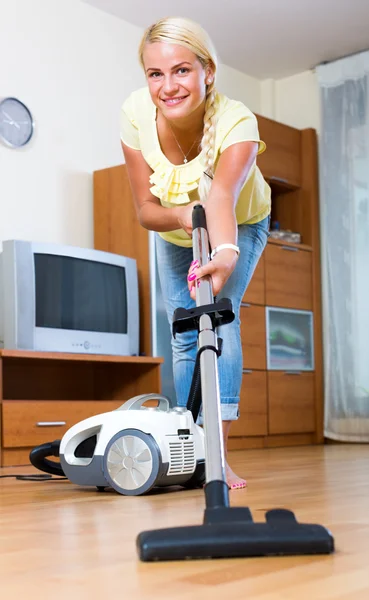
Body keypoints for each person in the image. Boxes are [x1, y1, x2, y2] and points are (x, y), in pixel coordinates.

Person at [120, 16, 271, 489]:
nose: (168, 86)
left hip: (240, 224)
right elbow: (146, 210)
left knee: (217, 320)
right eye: (155, 74)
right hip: (175, 228)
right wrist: (183, 216)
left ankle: (216, 453)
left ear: (207, 70)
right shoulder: (134, 115)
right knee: (183, 330)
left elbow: (222, 196)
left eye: (181, 70)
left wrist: (224, 251)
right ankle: (189, 447)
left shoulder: (237, 121)